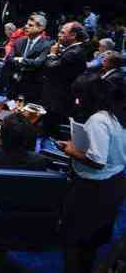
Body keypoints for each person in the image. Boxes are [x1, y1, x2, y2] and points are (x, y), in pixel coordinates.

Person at [57, 79, 126, 273]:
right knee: (93, 238)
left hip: (92, 190)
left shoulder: (98, 120)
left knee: (72, 238)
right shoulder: (118, 114)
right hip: (115, 183)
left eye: (80, 97)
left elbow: (97, 161)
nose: (78, 101)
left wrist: (70, 150)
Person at [41, 21, 88, 138]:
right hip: (60, 97)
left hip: (59, 99)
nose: (58, 35)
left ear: (73, 35)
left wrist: (52, 54)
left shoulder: (73, 53)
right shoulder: (75, 50)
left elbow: (52, 68)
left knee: (50, 132)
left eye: (62, 32)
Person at [7, 14, 53, 103]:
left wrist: (20, 60)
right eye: (27, 24)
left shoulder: (47, 44)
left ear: (40, 28)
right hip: (14, 84)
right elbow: (10, 58)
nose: (26, 27)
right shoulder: (19, 41)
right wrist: (30, 62)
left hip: (32, 87)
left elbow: (39, 63)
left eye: (30, 25)